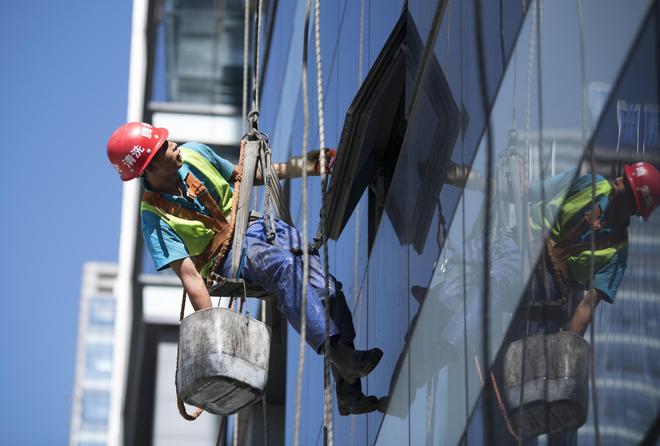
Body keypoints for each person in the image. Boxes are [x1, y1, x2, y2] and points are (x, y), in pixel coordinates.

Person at [106, 121, 383, 415]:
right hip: (227, 258)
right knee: (283, 267)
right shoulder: (154, 218)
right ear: (149, 168)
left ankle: (348, 391)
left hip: (258, 227)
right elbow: (190, 278)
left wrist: (307, 165)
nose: (172, 144)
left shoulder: (195, 154)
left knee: (328, 290)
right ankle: (339, 353)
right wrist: (214, 332)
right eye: (162, 147)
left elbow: (250, 175)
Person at [529, 162, 660, 335]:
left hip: (552, 284)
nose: (618, 180)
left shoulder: (617, 253)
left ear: (632, 206)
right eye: (623, 176)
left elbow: (587, 306)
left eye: (626, 183)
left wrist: (569, 351)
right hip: (528, 241)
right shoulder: (592, 184)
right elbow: (537, 192)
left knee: (546, 332)